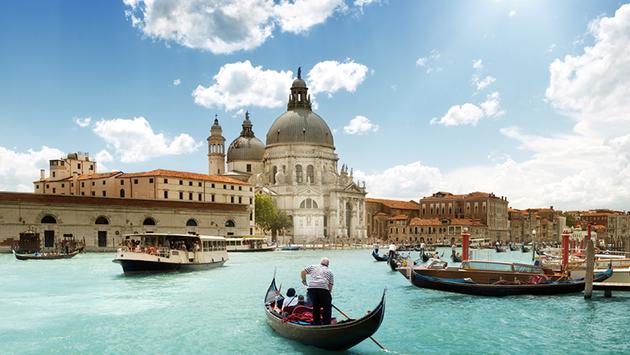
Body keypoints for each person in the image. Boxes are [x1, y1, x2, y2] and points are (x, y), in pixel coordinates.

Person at [301, 257, 334, 325]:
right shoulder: (330, 272)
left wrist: (304, 280)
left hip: (311, 289)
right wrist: (328, 297)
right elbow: (330, 286)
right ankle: (326, 324)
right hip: (323, 289)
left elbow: (302, 272)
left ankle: (316, 323)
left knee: (316, 306)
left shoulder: (313, 267)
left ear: (320, 262)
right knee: (327, 307)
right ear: (328, 264)